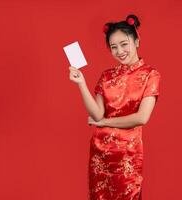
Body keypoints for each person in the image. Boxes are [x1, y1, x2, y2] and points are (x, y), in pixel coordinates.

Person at [69, 14, 161, 200]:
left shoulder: (151, 74)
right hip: (99, 154)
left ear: (136, 41)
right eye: (113, 47)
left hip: (127, 154)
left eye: (124, 44)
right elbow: (96, 114)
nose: (119, 51)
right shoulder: (106, 76)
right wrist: (81, 83)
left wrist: (104, 121)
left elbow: (141, 118)